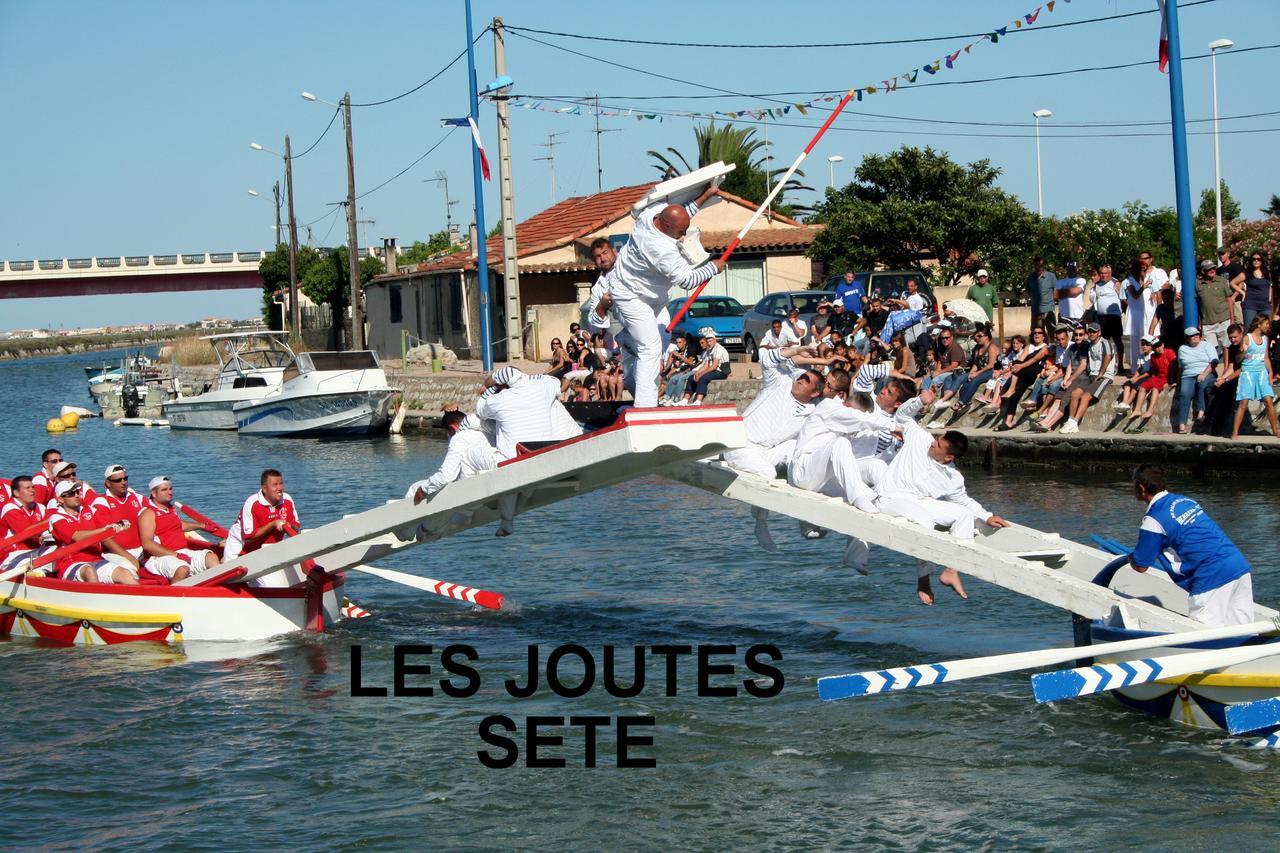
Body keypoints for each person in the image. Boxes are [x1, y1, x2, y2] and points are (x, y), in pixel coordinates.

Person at [597, 185, 725, 407]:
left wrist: (705, 195)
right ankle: (645, 407)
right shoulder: (661, 249)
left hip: (650, 296)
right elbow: (687, 280)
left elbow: (681, 213)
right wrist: (714, 267)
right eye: (680, 233)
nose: (683, 236)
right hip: (631, 297)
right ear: (665, 226)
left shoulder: (651, 214)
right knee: (651, 347)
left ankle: (630, 339)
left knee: (651, 342)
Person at [875, 404, 1011, 605]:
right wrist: (920, 400)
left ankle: (951, 570)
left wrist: (987, 516)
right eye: (937, 440)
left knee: (963, 515)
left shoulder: (953, 478)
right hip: (889, 498)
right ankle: (923, 580)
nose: (933, 444)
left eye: (938, 445)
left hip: (919, 501)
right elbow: (903, 414)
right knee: (925, 522)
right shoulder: (920, 439)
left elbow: (963, 500)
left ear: (949, 457)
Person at [724, 346, 826, 550]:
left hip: (766, 450)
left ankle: (806, 519)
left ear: (815, 392)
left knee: (800, 452)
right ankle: (761, 524)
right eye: (802, 376)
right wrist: (798, 350)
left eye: (807, 381)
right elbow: (767, 358)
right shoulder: (778, 384)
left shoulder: (813, 412)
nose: (800, 380)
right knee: (767, 473)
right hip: (740, 444)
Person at [1126, 464, 1254, 626]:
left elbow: (1141, 565)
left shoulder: (1153, 520)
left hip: (1210, 576)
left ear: (1141, 487)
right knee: (1243, 632)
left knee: (1203, 637)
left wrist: (1132, 558)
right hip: (1238, 566)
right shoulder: (1185, 500)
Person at [45, 480, 138, 584]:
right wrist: (104, 530)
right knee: (90, 572)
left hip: (96, 559)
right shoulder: (56, 518)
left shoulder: (90, 510)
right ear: (60, 499)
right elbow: (77, 536)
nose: (76, 495)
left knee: (125, 573)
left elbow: (108, 528)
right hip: (71, 563)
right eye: (71, 493)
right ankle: (99, 598)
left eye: (77, 491)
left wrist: (118, 525)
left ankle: (141, 597)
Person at [137, 476, 221, 580]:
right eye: (164, 490)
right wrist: (176, 555)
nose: (170, 492)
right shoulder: (148, 513)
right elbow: (147, 545)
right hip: (159, 557)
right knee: (183, 569)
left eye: (170, 489)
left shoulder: (170, 508)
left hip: (181, 552)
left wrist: (202, 526)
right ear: (154, 494)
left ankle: (220, 588)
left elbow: (178, 525)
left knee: (211, 557)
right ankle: (171, 595)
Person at [476, 367, 570, 458]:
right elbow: (554, 381)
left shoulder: (498, 400)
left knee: (470, 455)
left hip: (512, 459)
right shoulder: (543, 388)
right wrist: (525, 377)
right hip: (543, 454)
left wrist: (492, 388)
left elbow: (479, 409)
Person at [85, 464, 145, 572]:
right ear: (108, 484)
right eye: (118, 480)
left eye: (125, 478)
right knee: (129, 567)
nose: (123, 482)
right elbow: (106, 539)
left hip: (141, 549)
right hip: (115, 553)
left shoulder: (138, 498)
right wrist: (130, 558)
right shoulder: (101, 502)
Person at [1059, 322, 1116, 434]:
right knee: (1075, 394)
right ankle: (1070, 421)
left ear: (1099, 333)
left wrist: (1101, 373)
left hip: (1104, 376)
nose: (1091, 333)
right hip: (1091, 376)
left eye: (1094, 331)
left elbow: (1108, 356)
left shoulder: (1105, 342)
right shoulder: (1089, 345)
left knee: (1085, 397)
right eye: (1089, 331)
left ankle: (1075, 422)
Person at [1231, 315, 1280, 440]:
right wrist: (1243, 351)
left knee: (1269, 401)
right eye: (1266, 324)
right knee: (1243, 403)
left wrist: (1270, 372)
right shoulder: (1247, 338)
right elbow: (1237, 359)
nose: (1268, 326)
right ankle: (1235, 432)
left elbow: (1266, 358)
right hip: (1248, 373)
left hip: (1262, 373)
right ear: (1259, 324)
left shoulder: (1265, 339)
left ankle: (1275, 431)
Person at [1123, 336, 1175, 433]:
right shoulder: (1153, 357)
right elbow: (1153, 370)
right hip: (1158, 376)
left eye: (1159, 346)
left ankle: (1150, 410)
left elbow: (1174, 367)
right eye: (1155, 347)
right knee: (1142, 387)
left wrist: (1171, 381)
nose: (1158, 348)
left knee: (1155, 388)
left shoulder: (1169, 352)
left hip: (1166, 377)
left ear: (1163, 345)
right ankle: (1137, 410)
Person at [1126, 252, 1167, 373]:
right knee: (1137, 342)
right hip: (1136, 315)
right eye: (1141, 270)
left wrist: (1160, 310)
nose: (1143, 272)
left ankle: (1153, 367)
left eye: (1144, 270)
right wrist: (1144, 286)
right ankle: (1136, 369)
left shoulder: (1151, 278)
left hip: (1149, 313)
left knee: (1152, 339)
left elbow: (1158, 293)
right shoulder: (1130, 280)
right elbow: (1135, 295)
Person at [1173, 327, 1218, 434]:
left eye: (1197, 334)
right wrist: (1177, 381)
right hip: (1188, 375)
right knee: (1184, 394)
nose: (1195, 336)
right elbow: (1181, 367)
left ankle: (1201, 411)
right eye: (1192, 335)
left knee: (1202, 383)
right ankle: (1182, 424)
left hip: (1206, 372)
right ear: (1187, 338)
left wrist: (1203, 374)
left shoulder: (1207, 345)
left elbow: (1214, 362)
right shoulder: (1182, 349)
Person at [0, 475, 47, 572]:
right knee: (36, 570)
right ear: (16, 493)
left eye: (33, 487)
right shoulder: (10, 508)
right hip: (12, 555)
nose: (32, 491)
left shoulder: (40, 508)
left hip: (36, 550)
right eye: (27, 488)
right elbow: (28, 533)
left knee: (62, 554)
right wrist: (49, 522)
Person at [677, 328, 731, 406]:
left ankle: (698, 400)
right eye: (708, 341)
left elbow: (714, 366)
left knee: (703, 378)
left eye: (711, 341)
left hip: (721, 372)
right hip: (713, 370)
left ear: (715, 340)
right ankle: (685, 400)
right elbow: (706, 365)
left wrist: (701, 374)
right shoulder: (709, 350)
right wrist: (698, 372)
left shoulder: (719, 349)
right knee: (691, 377)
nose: (709, 343)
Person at [1195, 260, 1235, 354]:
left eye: (1213, 268)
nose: (1212, 270)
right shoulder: (1198, 284)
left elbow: (1229, 300)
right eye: (1209, 269)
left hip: (1223, 320)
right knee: (1210, 349)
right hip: (1207, 323)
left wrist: (1232, 320)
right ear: (1203, 271)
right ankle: (1213, 368)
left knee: (1226, 347)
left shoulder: (1222, 281)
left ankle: (1225, 367)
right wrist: (1199, 322)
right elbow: (1197, 303)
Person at [1091, 264, 1125, 371]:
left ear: (1110, 274)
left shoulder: (1116, 283)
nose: (1103, 275)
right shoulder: (1097, 285)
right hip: (1101, 317)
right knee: (1104, 342)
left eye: (1105, 273)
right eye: (1101, 273)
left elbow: (1123, 298)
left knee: (1117, 340)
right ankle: (1106, 365)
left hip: (1113, 317)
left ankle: (1120, 365)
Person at [1241, 252, 1273, 329]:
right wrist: (1242, 292)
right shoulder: (1247, 273)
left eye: (1258, 259)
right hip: (1250, 305)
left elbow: (1270, 285)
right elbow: (1233, 283)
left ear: (1262, 261)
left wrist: (1269, 297)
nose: (1256, 261)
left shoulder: (1266, 273)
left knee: (1265, 329)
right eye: (1254, 259)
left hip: (1265, 306)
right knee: (1249, 328)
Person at [1026, 257, 1057, 329]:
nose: (1038, 268)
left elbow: (1055, 290)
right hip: (1036, 311)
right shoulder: (1030, 277)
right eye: (1036, 266)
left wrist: (1051, 301)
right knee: (1037, 332)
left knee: (1051, 332)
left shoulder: (1051, 276)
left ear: (1043, 266)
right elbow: (1028, 290)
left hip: (1048, 310)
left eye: (1040, 266)